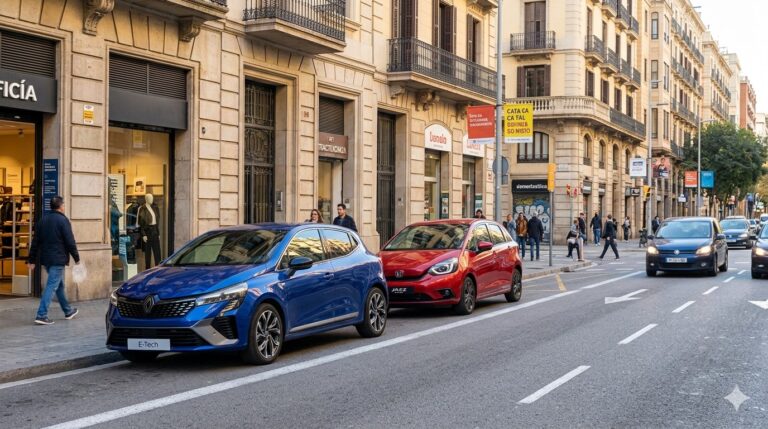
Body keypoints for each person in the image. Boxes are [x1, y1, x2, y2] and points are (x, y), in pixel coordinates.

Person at [28, 196, 80, 325]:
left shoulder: (43, 220)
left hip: (46, 259)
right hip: (58, 259)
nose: (64, 207)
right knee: (51, 286)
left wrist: (31, 259)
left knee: (59, 285)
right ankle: (41, 315)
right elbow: (70, 241)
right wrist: (76, 257)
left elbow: (35, 242)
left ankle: (68, 311)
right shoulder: (63, 220)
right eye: (63, 205)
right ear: (61, 206)